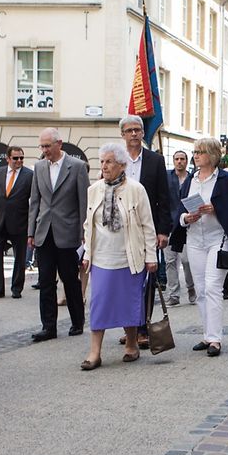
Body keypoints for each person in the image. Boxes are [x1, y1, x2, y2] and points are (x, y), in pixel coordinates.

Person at [79, 143, 158, 370]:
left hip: (129, 255)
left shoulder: (136, 189)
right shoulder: (94, 189)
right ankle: (95, 352)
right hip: (102, 257)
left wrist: (150, 256)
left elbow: (147, 225)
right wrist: (87, 252)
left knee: (128, 302)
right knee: (99, 303)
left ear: (122, 165)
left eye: (109, 162)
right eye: (102, 161)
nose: (104, 166)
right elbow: (88, 223)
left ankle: (132, 344)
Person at [178, 136, 228, 356]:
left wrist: (215, 209)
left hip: (218, 239)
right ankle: (207, 334)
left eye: (199, 152)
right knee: (200, 289)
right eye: (195, 152)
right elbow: (178, 209)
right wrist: (185, 218)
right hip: (194, 239)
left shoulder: (226, 180)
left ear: (211, 155)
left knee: (212, 287)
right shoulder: (191, 180)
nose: (195, 156)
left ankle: (215, 339)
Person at [29, 127, 89, 342]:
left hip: (68, 233)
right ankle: (48, 327)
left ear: (59, 144)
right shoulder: (39, 167)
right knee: (45, 281)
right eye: (42, 146)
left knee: (70, 280)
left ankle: (77, 321)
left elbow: (84, 202)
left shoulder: (77, 167)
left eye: (47, 146)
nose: (44, 150)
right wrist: (31, 233)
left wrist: (85, 233)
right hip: (44, 232)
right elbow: (34, 202)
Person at [120, 115, 171, 349]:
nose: (133, 134)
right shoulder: (116, 159)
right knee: (123, 279)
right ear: (122, 134)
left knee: (146, 279)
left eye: (137, 130)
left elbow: (164, 198)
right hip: (119, 230)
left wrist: (163, 231)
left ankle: (142, 328)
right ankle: (129, 328)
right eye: (129, 130)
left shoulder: (155, 161)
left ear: (142, 133)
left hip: (146, 229)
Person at [0, 146, 32, 299]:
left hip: (19, 223)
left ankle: (16, 288)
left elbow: (33, 201)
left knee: (19, 257)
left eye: (21, 158)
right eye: (16, 158)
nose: (19, 161)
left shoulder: (29, 175)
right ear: (7, 159)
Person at [165, 150, 196, 306]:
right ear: (173, 160)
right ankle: (173, 294)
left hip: (187, 225)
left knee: (186, 261)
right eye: (176, 159)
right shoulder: (166, 177)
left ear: (186, 161)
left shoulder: (193, 178)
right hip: (170, 225)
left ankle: (191, 288)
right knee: (170, 261)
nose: (179, 161)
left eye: (182, 159)